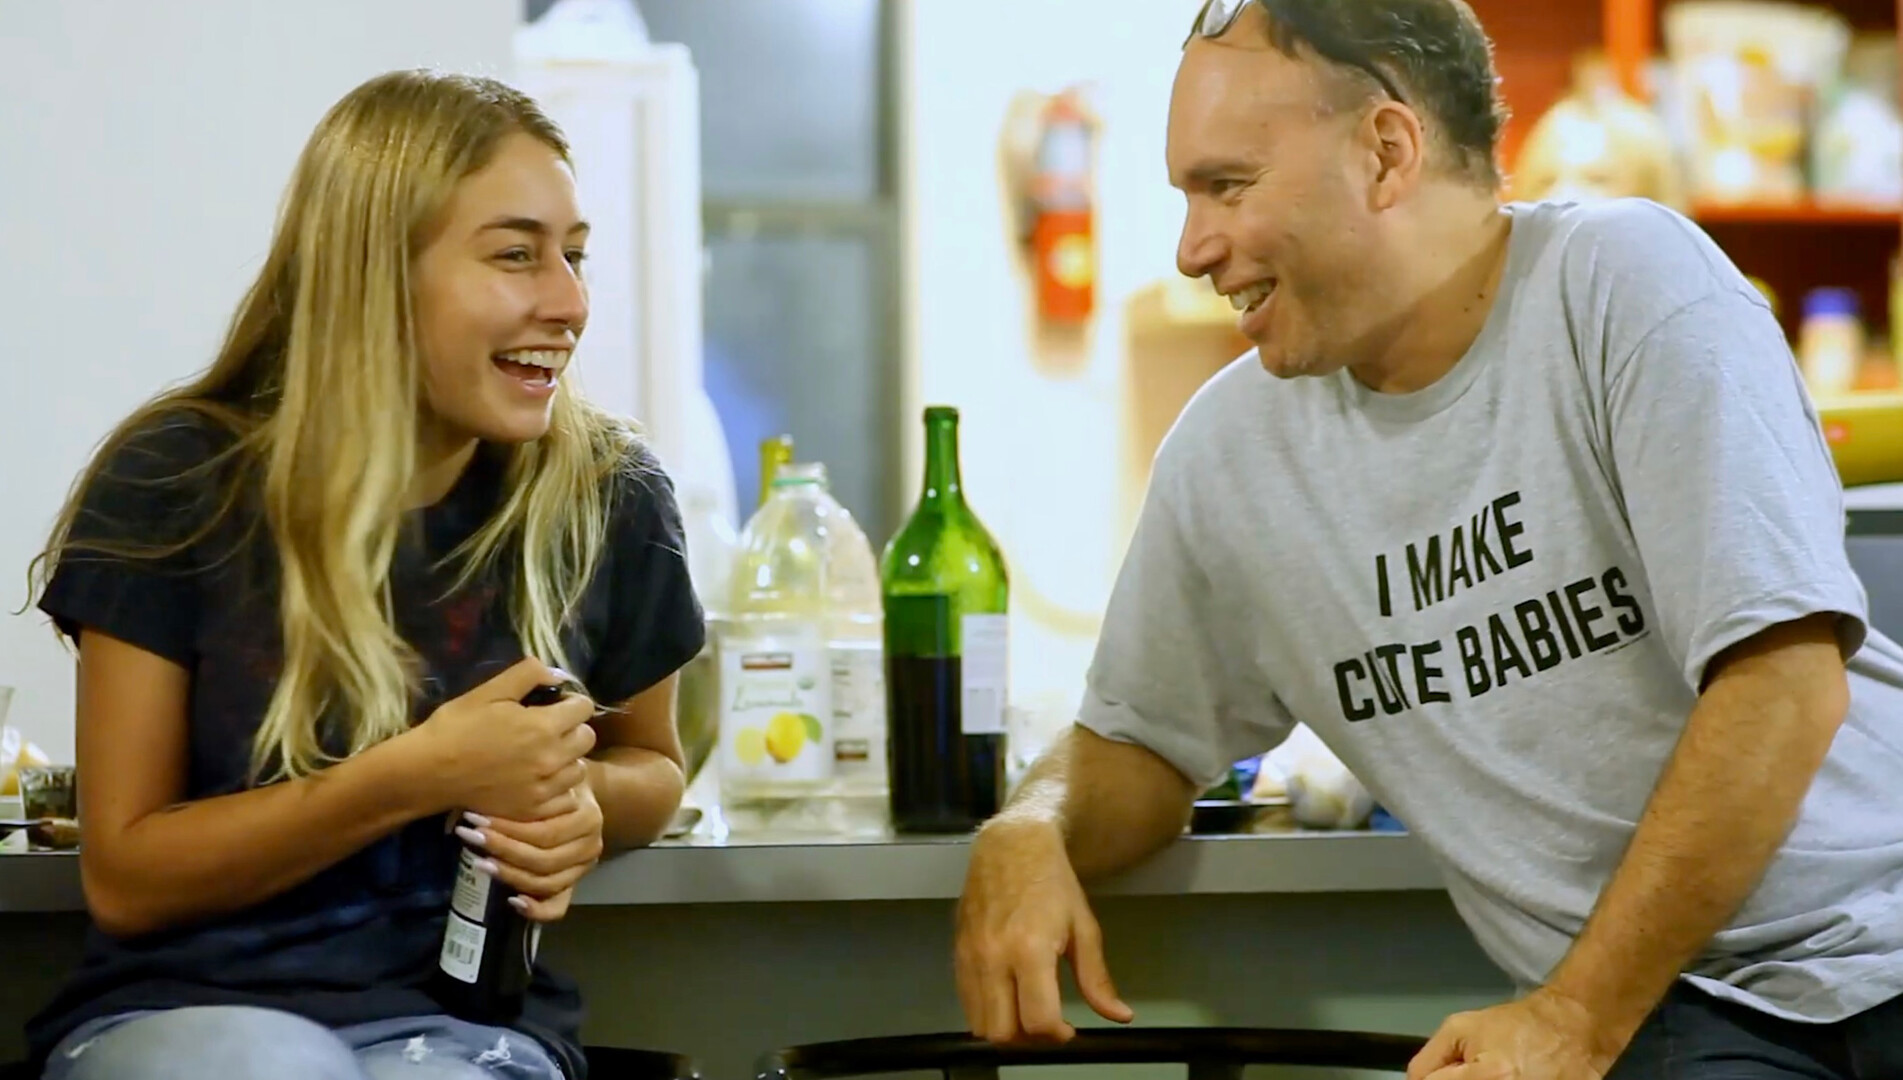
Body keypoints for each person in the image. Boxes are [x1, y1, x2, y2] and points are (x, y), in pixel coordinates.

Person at [952, 2, 1903, 1078]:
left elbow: (1782, 685)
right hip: (1679, 1013)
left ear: (1385, 152)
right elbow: (1139, 745)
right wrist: (1028, 828)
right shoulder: (1227, 457)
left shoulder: (1624, 280)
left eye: (1229, 185)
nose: (1191, 249)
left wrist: (1571, 1017)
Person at [22, 69, 704, 1080]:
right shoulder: (177, 480)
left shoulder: (609, 494)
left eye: (575, 255)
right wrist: (412, 777)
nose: (569, 303)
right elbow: (126, 876)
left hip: (467, 1030)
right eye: (516, 255)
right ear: (375, 272)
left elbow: (652, 763)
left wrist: (586, 807)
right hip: (188, 1016)